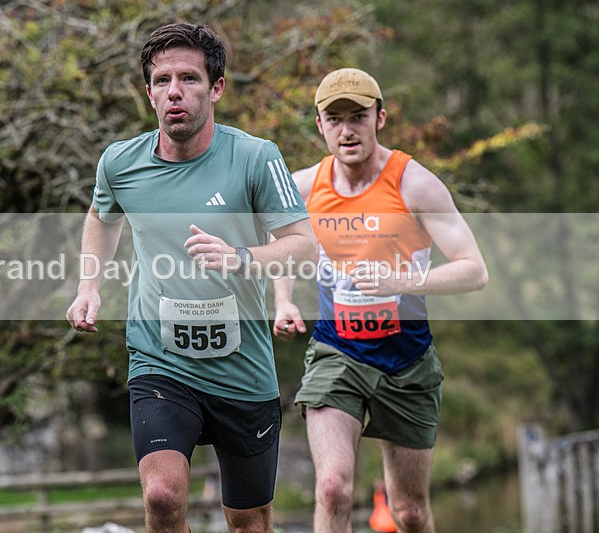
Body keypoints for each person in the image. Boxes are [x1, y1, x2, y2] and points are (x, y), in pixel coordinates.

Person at [66, 23, 317, 533]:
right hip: (160, 361)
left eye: (188, 78)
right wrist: (88, 287)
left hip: (242, 370)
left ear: (216, 87)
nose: (173, 91)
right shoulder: (120, 162)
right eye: (161, 81)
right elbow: (101, 216)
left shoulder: (255, 157)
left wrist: (241, 257)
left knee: (247, 521)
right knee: (161, 497)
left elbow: (305, 245)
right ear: (148, 92)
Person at [272, 68, 488, 533]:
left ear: (380, 118)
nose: (347, 130)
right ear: (320, 125)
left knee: (409, 511)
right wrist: (283, 301)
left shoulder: (415, 185)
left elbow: (475, 270)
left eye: (358, 117)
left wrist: (403, 280)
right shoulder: (304, 187)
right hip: (337, 351)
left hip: (406, 360)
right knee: (332, 488)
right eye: (335, 119)